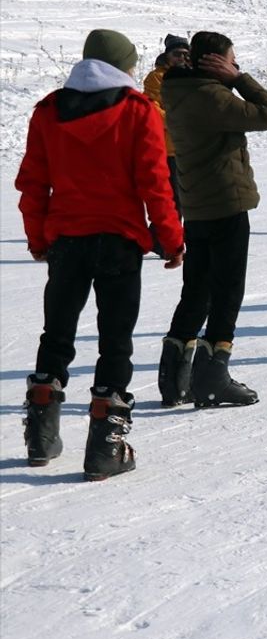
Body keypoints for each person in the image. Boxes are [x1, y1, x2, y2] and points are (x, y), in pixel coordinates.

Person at [16, 29, 184, 480]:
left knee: (57, 334)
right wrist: (171, 239)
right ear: (122, 66)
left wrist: (37, 239)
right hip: (120, 241)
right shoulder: (138, 111)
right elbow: (155, 183)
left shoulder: (49, 111)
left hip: (66, 241)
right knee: (115, 340)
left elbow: (33, 183)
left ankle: (40, 437)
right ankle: (105, 448)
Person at [159, 31, 267, 408]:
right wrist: (238, 79)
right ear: (216, 62)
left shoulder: (176, 90)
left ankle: (174, 377)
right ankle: (212, 379)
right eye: (230, 59)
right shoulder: (211, 95)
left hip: (197, 205)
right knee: (227, 293)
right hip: (226, 203)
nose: (234, 64)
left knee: (196, 290)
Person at [142, 34, 190, 219]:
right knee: (172, 200)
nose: (182, 58)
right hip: (168, 149)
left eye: (186, 55)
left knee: (189, 200)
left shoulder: (192, 75)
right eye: (177, 54)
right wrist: (177, 121)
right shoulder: (156, 78)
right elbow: (151, 107)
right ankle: (163, 241)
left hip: (190, 148)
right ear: (167, 55)